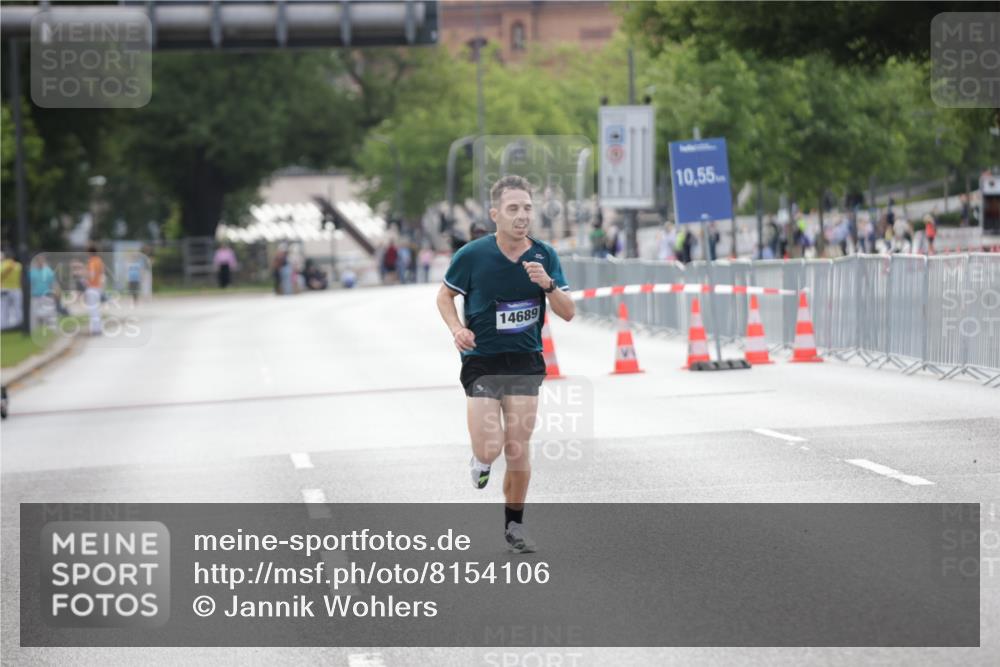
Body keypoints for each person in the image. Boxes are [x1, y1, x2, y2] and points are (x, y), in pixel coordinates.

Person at [436, 175, 575, 554]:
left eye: (527, 208)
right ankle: (480, 461)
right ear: (495, 214)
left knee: (518, 447)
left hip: (525, 361)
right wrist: (456, 329)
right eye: (513, 209)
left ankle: (514, 526)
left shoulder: (545, 256)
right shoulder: (472, 255)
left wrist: (548, 285)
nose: (522, 216)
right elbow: (445, 296)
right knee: (491, 448)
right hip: (482, 360)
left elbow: (568, 312)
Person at [29, 253, 58, 331]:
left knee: (50, 313)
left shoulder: (48, 271)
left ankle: (53, 329)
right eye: (38, 260)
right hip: (36, 296)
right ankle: (34, 330)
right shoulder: (32, 272)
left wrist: (55, 293)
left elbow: (53, 283)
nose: (40, 262)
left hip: (47, 296)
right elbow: (29, 285)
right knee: (34, 315)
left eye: (42, 260)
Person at [1, 246, 24, 331]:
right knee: (18, 308)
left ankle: (3, 326)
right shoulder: (18, 266)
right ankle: (19, 325)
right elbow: (22, 278)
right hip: (16, 289)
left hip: (4, 289)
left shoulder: (2, 265)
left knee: (3, 309)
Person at [85, 243, 105, 335]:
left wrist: (86, 278)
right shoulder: (99, 261)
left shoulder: (92, 261)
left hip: (92, 287)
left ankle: (94, 330)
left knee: (92, 309)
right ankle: (98, 328)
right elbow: (102, 275)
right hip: (98, 287)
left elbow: (91, 274)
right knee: (97, 309)